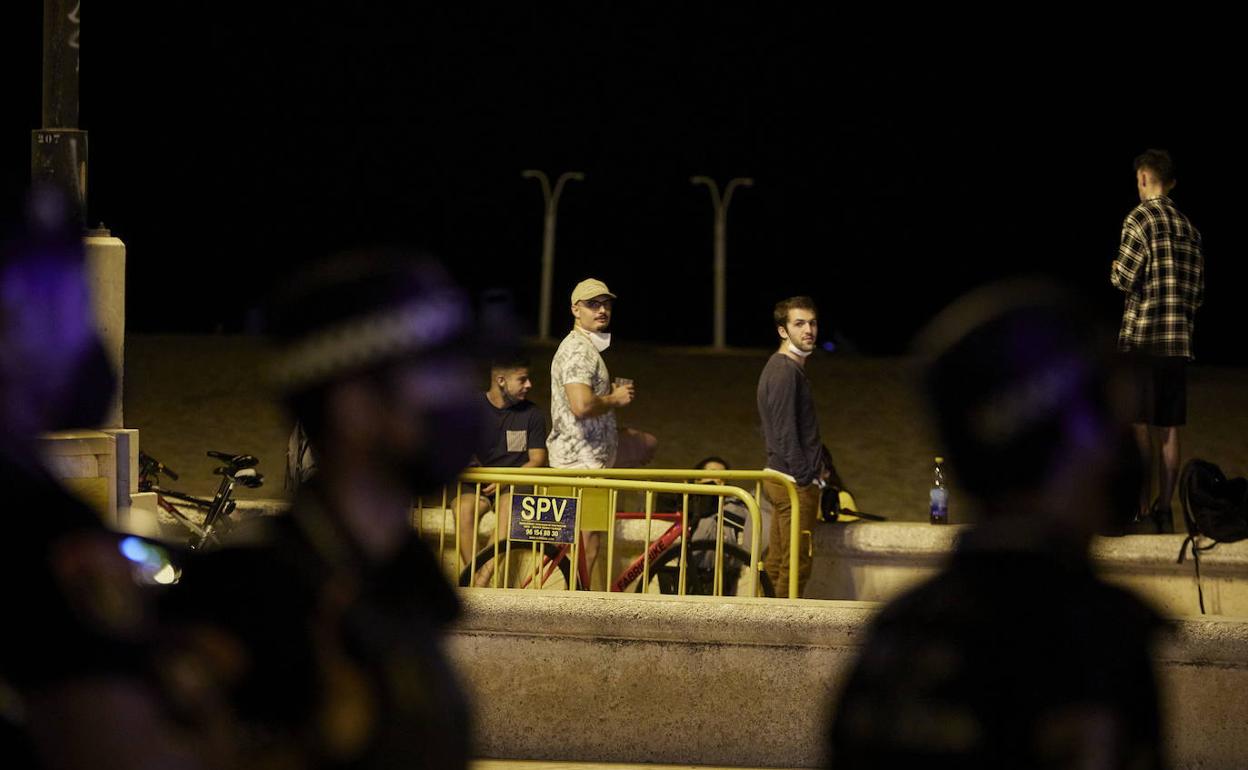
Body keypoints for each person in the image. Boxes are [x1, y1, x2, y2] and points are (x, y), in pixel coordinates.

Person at [827, 280, 1165, 769]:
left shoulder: (897, 633)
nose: (1122, 445)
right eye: (1106, 415)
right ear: (1056, 439)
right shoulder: (1094, 639)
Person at [164, 249, 478, 770]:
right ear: (355, 407)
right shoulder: (249, 592)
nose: (460, 398)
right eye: (435, 374)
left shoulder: (405, 581)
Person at [0, 186, 228, 768]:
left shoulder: (42, 502)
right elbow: (115, 744)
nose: (75, 327)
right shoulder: (45, 529)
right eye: (52, 301)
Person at [1111, 148, 1204, 534]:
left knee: (1137, 425)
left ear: (1145, 178)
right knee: (1168, 430)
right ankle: (1164, 512)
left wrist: (1114, 268)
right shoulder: (1189, 229)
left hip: (1143, 341)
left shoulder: (1139, 219)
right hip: (1177, 343)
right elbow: (1196, 293)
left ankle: (1138, 510)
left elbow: (1125, 278)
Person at [547, 278, 656, 582]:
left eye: (606, 303)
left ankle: (571, 604)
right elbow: (580, 405)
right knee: (584, 546)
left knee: (582, 546)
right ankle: (571, 612)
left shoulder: (584, 348)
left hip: (583, 462)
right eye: (592, 304)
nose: (602, 309)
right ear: (574, 309)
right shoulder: (579, 351)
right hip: (580, 466)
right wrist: (615, 398)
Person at [756, 296, 825, 597]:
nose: (808, 330)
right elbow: (785, 432)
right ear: (783, 330)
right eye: (799, 324)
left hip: (782, 476)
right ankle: (780, 637)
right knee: (796, 566)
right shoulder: (784, 371)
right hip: (792, 481)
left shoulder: (785, 368)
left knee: (778, 562)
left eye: (812, 323)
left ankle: (762, 629)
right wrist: (806, 478)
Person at [453, 355, 547, 569]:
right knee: (462, 508)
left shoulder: (532, 413)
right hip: (477, 482)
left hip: (515, 483)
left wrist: (504, 481)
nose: (529, 385)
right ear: (501, 381)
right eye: (522, 380)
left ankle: (480, 583)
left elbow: (537, 459)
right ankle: (475, 578)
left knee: (508, 509)